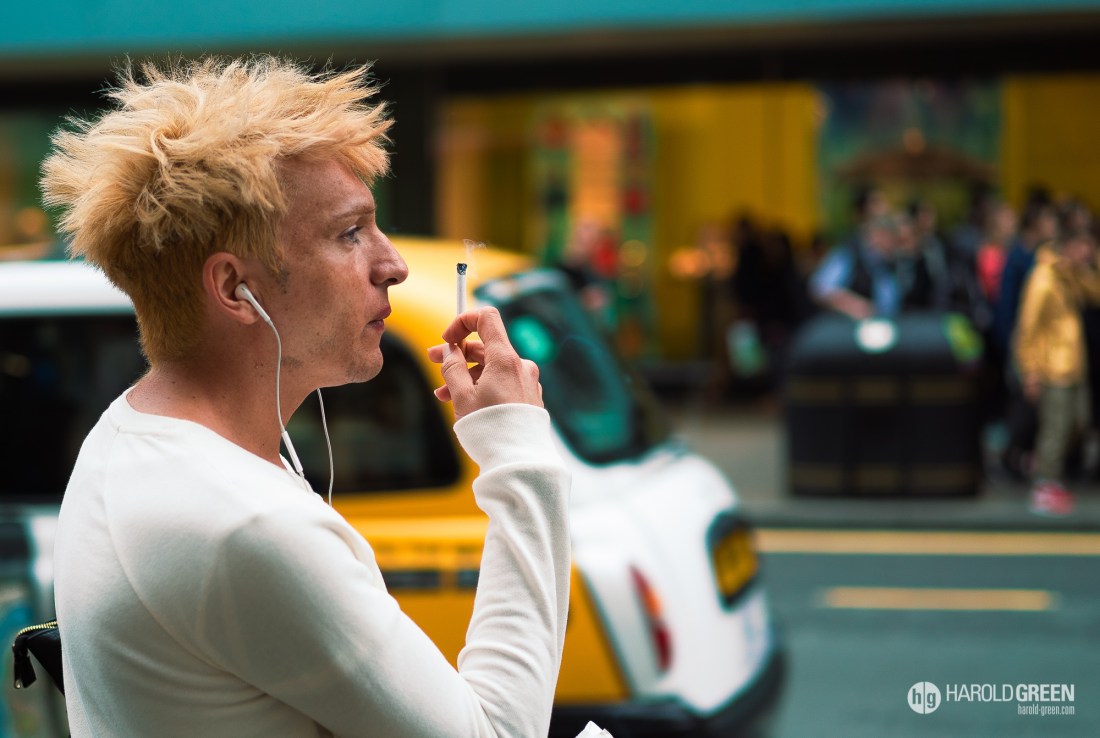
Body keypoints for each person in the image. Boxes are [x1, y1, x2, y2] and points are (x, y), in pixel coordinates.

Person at [41, 57, 571, 737]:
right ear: (235, 289)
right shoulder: (242, 525)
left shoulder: (130, 434)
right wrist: (520, 453)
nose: (393, 264)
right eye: (350, 233)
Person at [1014, 229, 1100, 516]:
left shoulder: (1069, 276)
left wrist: (1087, 267)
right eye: (1084, 247)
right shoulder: (1043, 278)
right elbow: (1027, 328)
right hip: (1051, 368)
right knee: (1055, 429)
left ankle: (1048, 473)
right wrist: (1030, 371)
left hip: (1074, 365)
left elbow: (1095, 294)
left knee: (1079, 422)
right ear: (1070, 246)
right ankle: (1043, 484)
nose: (1087, 253)